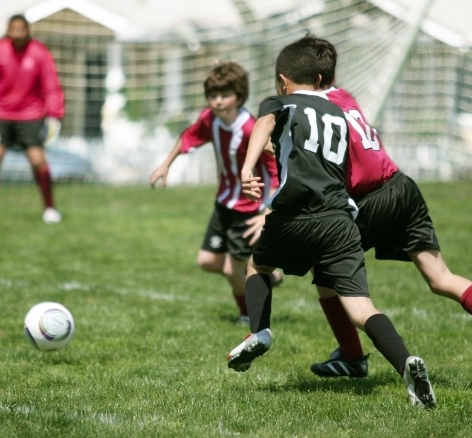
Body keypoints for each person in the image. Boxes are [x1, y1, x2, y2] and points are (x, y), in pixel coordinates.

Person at [226, 41, 436, 409]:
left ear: (282, 81)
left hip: (295, 215)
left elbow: (264, 124)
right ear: (321, 78)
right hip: (340, 220)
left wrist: (247, 168)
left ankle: (259, 332)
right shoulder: (337, 112)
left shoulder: (280, 103)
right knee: (360, 308)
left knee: (257, 264)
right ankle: (406, 363)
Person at [296, 33, 472, 379]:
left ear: (312, 80)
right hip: (402, 187)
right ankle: (349, 356)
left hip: (370, 199)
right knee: (440, 278)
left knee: (326, 270)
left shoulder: (313, 111)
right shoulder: (344, 94)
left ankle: (351, 356)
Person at [149, 61, 282, 324]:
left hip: (248, 208)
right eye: (213, 96)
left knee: (233, 271)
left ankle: (247, 316)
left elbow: (273, 168)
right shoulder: (209, 119)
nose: (218, 101)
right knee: (207, 260)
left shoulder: (250, 129)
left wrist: (268, 207)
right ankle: (263, 274)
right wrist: (166, 164)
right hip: (224, 203)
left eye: (225, 95)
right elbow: (189, 136)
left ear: (239, 96)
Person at [0, 14, 64, 224]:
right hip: (1, 115)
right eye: (15, 29)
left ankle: (50, 209)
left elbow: (51, 86)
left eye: (22, 29)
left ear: (28, 30)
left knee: (38, 161)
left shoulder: (39, 53)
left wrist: (54, 116)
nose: (19, 33)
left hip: (31, 116)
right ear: (8, 30)